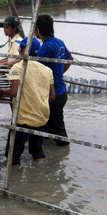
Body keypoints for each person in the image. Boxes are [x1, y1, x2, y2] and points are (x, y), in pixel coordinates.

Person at [0, 37, 55, 165]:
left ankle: (15, 180)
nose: (18, 50)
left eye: (20, 48)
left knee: (12, 155)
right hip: (41, 117)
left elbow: (14, 92)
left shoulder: (18, 68)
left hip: (23, 118)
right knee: (37, 152)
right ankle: (42, 175)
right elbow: (52, 97)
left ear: (23, 51)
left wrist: (1, 91)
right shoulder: (47, 70)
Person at [35, 14, 73, 146]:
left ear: (38, 31)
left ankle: (61, 156)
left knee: (59, 133)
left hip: (53, 94)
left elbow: (36, 70)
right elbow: (70, 59)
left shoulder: (45, 48)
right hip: (61, 90)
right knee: (50, 125)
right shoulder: (59, 42)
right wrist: (59, 72)